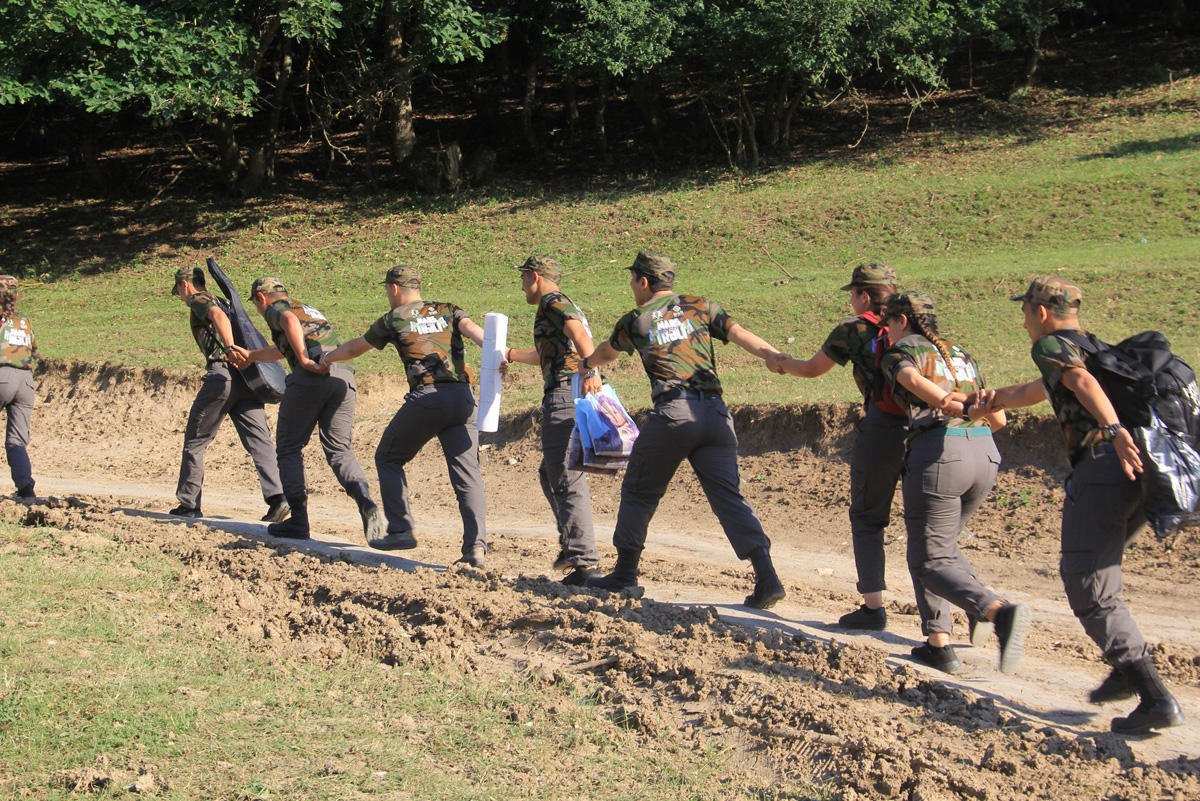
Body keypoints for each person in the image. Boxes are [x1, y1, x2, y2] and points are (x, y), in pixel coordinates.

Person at [979, 276, 1183, 734]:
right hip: (1138, 472)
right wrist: (984, 401)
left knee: (1087, 582)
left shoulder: (1051, 346)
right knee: (1100, 575)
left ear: (1042, 312)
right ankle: (1125, 669)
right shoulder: (1091, 345)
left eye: (1025, 311)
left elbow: (1079, 380)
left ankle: (1154, 697)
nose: (1024, 321)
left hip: (1104, 467)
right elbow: (1034, 392)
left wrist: (1112, 430)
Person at [576, 251, 786, 609]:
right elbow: (740, 335)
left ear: (644, 281)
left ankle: (625, 573)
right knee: (729, 497)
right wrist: (772, 355)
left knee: (640, 490)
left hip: (673, 414)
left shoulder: (636, 320)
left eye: (633, 279)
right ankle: (767, 577)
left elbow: (607, 353)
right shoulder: (700, 306)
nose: (632, 286)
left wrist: (587, 365)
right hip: (715, 415)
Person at [879, 291, 1030, 675]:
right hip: (984, 451)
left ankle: (996, 611)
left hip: (940, 455)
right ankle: (939, 642)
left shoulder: (901, 351)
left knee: (928, 558)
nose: (887, 331)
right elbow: (999, 420)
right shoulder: (960, 354)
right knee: (939, 547)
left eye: (888, 323)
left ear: (901, 320)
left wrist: (946, 403)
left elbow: (910, 379)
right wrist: (967, 416)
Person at [318, 266, 489, 567]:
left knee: (388, 457)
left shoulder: (394, 318)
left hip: (428, 398)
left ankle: (401, 530)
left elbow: (357, 347)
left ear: (394, 289)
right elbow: (481, 337)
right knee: (467, 474)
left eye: (387, 289)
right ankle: (476, 547)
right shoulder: (448, 310)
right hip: (463, 398)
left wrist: (328, 358)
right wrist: (500, 357)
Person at [765, 263, 905, 630]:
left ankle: (873, 608)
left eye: (853, 294)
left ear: (863, 295)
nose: (851, 301)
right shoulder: (913, 323)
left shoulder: (854, 329)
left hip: (882, 429)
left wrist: (781, 364)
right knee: (928, 525)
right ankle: (949, 616)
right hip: (928, 427)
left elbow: (813, 369)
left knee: (868, 518)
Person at [231, 276, 382, 542]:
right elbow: (287, 344)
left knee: (288, 448)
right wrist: (252, 356)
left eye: (255, 303)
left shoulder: (277, 309)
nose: (258, 309)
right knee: (339, 449)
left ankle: (299, 521)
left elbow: (289, 323)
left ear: (261, 297)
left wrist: (303, 360)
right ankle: (366, 502)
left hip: (312, 376)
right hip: (343, 376)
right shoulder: (304, 309)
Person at [502, 255, 602, 584]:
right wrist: (511, 355)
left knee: (566, 476)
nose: (521, 286)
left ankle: (584, 561)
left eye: (523, 278)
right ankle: (573, 547)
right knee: (551, 472)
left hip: (565, 396)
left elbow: (581, 337)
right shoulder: (560, 304)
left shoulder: (551, 302)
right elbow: (552, 352)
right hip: (568, 392)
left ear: (535, 276)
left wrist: (592, 370)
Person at [169, 267, 288, 523]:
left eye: (178, 290)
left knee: (195, 441)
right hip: (248, 379)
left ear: (185, 285)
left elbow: (217, 316)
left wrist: (230, 348)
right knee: (260, 441)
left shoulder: (200, 300)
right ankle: (279, 498)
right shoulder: (224, 300)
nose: (180, 296)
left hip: (223, 376)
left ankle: (189, 503)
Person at [0, 275, 38, 500]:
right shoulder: (24, 322)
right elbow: (35, 352)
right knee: (17, 441)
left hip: (1, 376)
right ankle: (26, 489)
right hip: (25, 382)